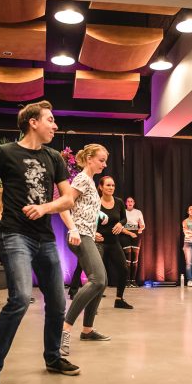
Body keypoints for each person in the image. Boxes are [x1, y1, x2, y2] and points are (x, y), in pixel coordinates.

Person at [0, 100, 79, 384]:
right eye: (50, 119)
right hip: (15, 234)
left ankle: (53, 357)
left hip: (44, 237)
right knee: (19, 298)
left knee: (58, 301)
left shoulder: (54, 157)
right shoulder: (5, 153)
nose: (55, 125)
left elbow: (68, 199)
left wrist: (45, 207)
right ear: (33, 122)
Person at [59, 144, 111, 356]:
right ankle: (64, 329)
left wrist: (98, 221)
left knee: (102, 282)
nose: (104, 164)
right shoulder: (82, 178)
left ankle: (88, 330)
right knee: (97, 280)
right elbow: (64, 204)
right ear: (89, 159)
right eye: (101, 160)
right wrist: (73, 229)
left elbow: (84, 208)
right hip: (79, 235)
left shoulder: (88, 181)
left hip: (87, 234)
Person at [96, 176, 136, 307]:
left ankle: (119, 299)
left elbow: (124, 219)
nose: (111, 188)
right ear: (101, 187)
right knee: (98, 275)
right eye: (108, 185)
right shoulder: (95, 202)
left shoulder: (118, 202)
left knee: (124, 269)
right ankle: (93, 304)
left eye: (113, 185)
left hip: (113, 242)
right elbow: (88, 220)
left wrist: (120, 224)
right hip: (99, 242)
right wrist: (93, 233)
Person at [122, 197, 145, 287]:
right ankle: (127, 280)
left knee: (135, 259)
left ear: (134, 203)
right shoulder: (123, 211)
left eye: (131, 201)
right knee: (127, 257)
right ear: (126, 203)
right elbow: (120, 224)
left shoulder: (138, 212)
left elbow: (142, 225)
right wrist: (128, 232)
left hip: (135, 234)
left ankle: (133, 280)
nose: (130, 202)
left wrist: (140, 228)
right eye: (128, 201)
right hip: (125, 233)